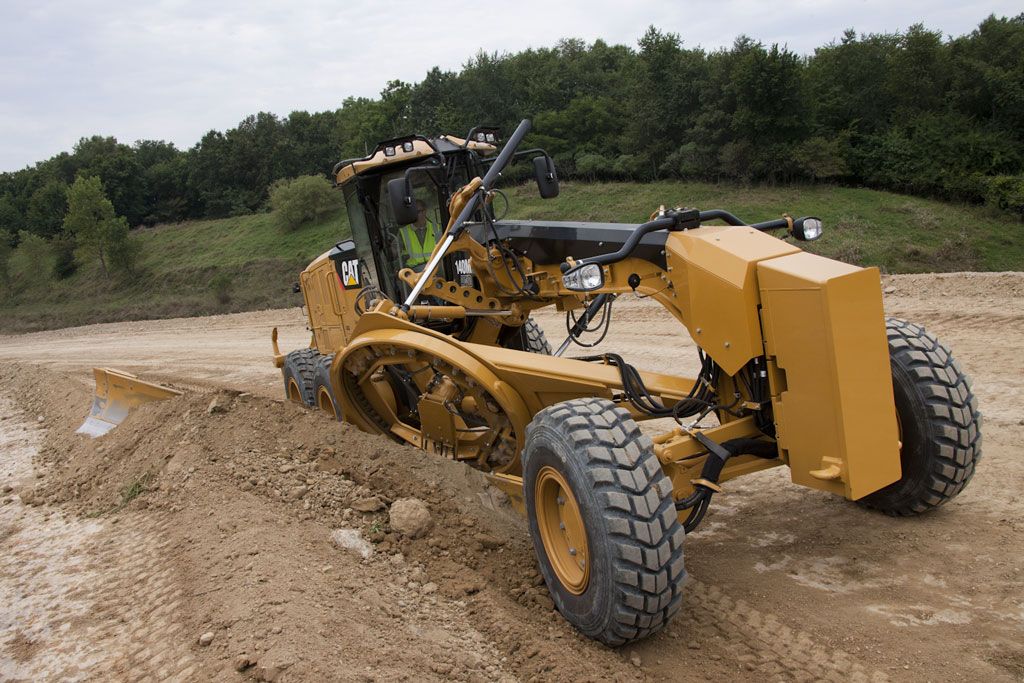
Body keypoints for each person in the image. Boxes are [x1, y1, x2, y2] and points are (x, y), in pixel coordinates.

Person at [398, 199, 440, 272]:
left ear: (425, 211)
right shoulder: (403, 232)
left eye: (418, 212)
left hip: (436, 267)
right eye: (413, 212)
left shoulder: (437, 228)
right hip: (414, 271)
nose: (415, 215)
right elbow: (395, 252)